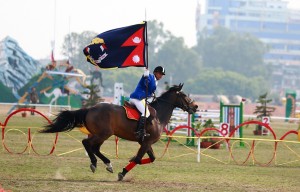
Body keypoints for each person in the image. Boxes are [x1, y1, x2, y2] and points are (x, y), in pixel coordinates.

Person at [129, 66, 166, 141]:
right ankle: (140, 131)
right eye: (160, 74)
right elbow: (146, 83)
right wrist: (146, 75)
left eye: (162, 74)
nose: (161, 76)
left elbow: (149, 91)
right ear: (155, 72)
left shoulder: (155, 81)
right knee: (146, 113)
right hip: (137, 98)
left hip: (141, 99)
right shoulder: (149, 76)